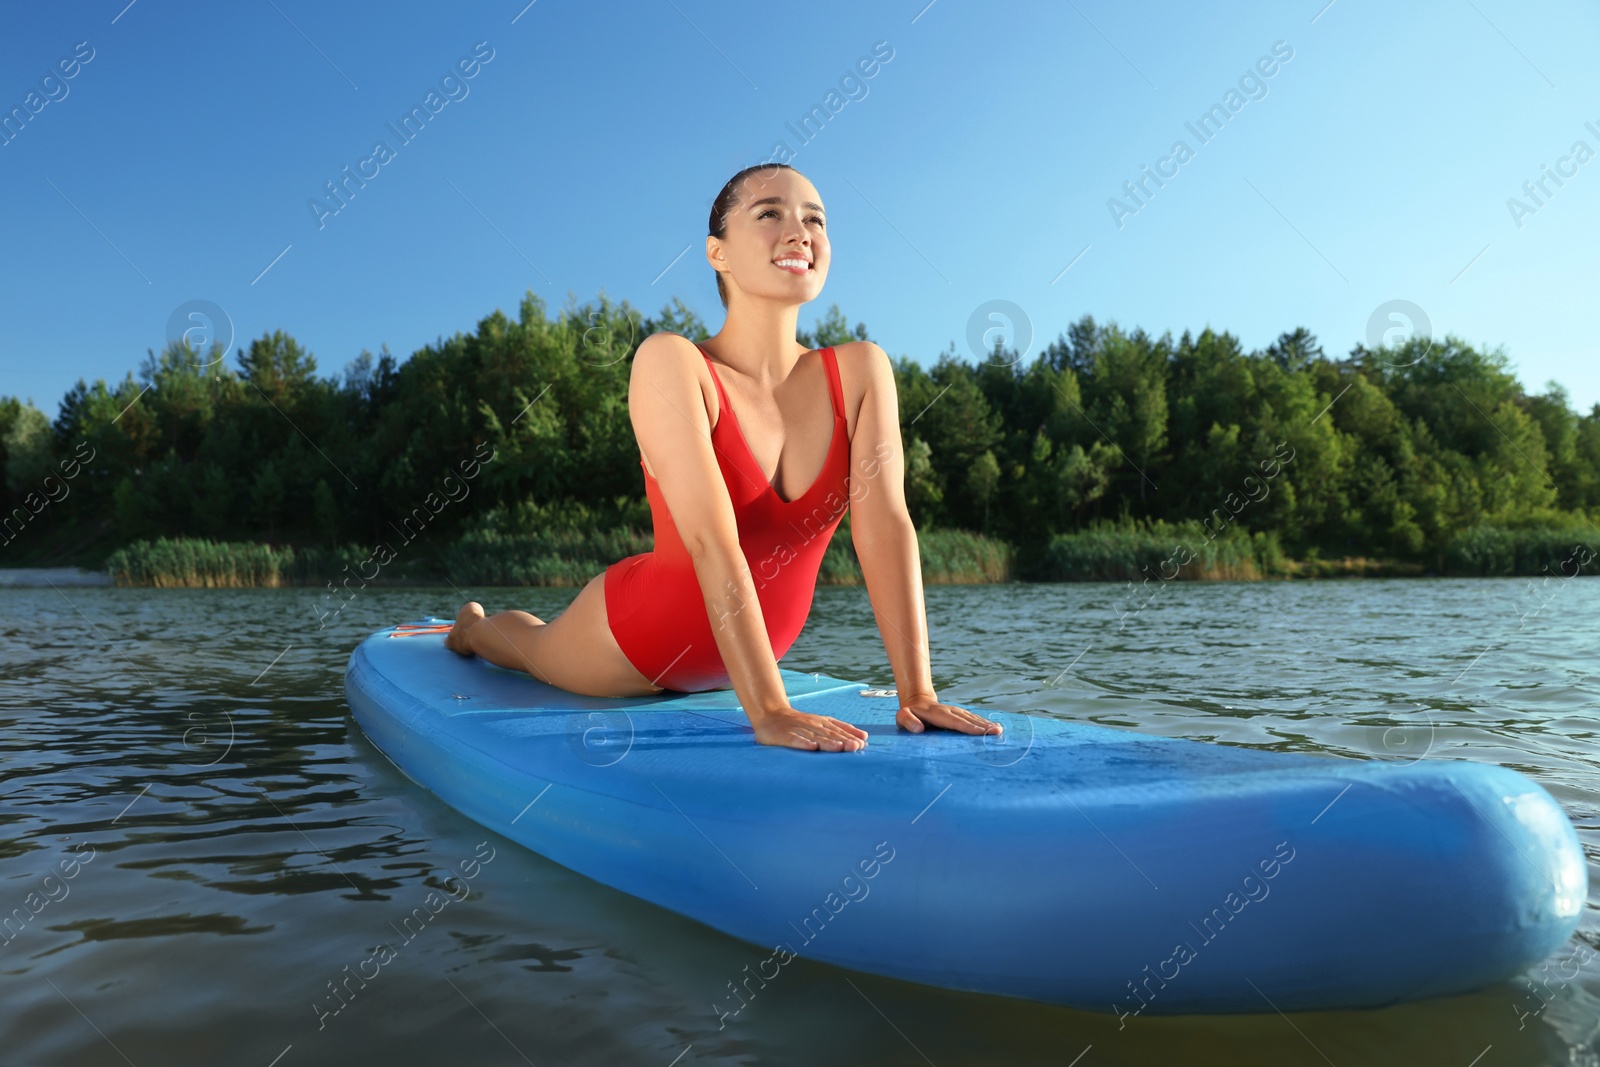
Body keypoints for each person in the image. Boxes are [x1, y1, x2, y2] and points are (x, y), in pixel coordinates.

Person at [445, 163, 1001, 753]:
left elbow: (886, 528)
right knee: (531, 649)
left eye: (815, 219)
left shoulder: (863, 371)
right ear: (719, 252)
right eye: (770, 214)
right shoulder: (673, 363)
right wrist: (768, 711)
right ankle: (471, 630)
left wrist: (917, 693)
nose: (799, 231)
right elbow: (712, 541)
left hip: (751, 650)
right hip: (635, 642)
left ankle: (478, 628)